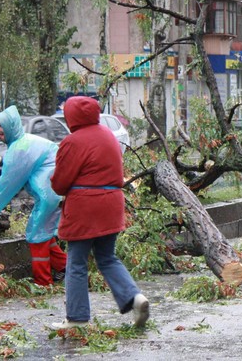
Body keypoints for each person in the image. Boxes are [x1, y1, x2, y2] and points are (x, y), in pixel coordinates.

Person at [49, 96, 149, 330]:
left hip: (85, 207)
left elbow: (60, 183)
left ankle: (77, 318)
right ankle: (135, 298)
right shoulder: (109, 137)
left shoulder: (72, 142)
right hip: (112, 204)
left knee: (76, 263)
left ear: (71, 116)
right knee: (107, 257)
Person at [0, 105, 66, 286]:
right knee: (45, 233)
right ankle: (67, 269)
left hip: (48, 195)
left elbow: (9, 181)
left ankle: (43, 282)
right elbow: (12, 179)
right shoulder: (25, 142)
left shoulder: (19, 148)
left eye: (1, 126)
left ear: (11, 126)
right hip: (56, 193)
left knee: (35, 234)